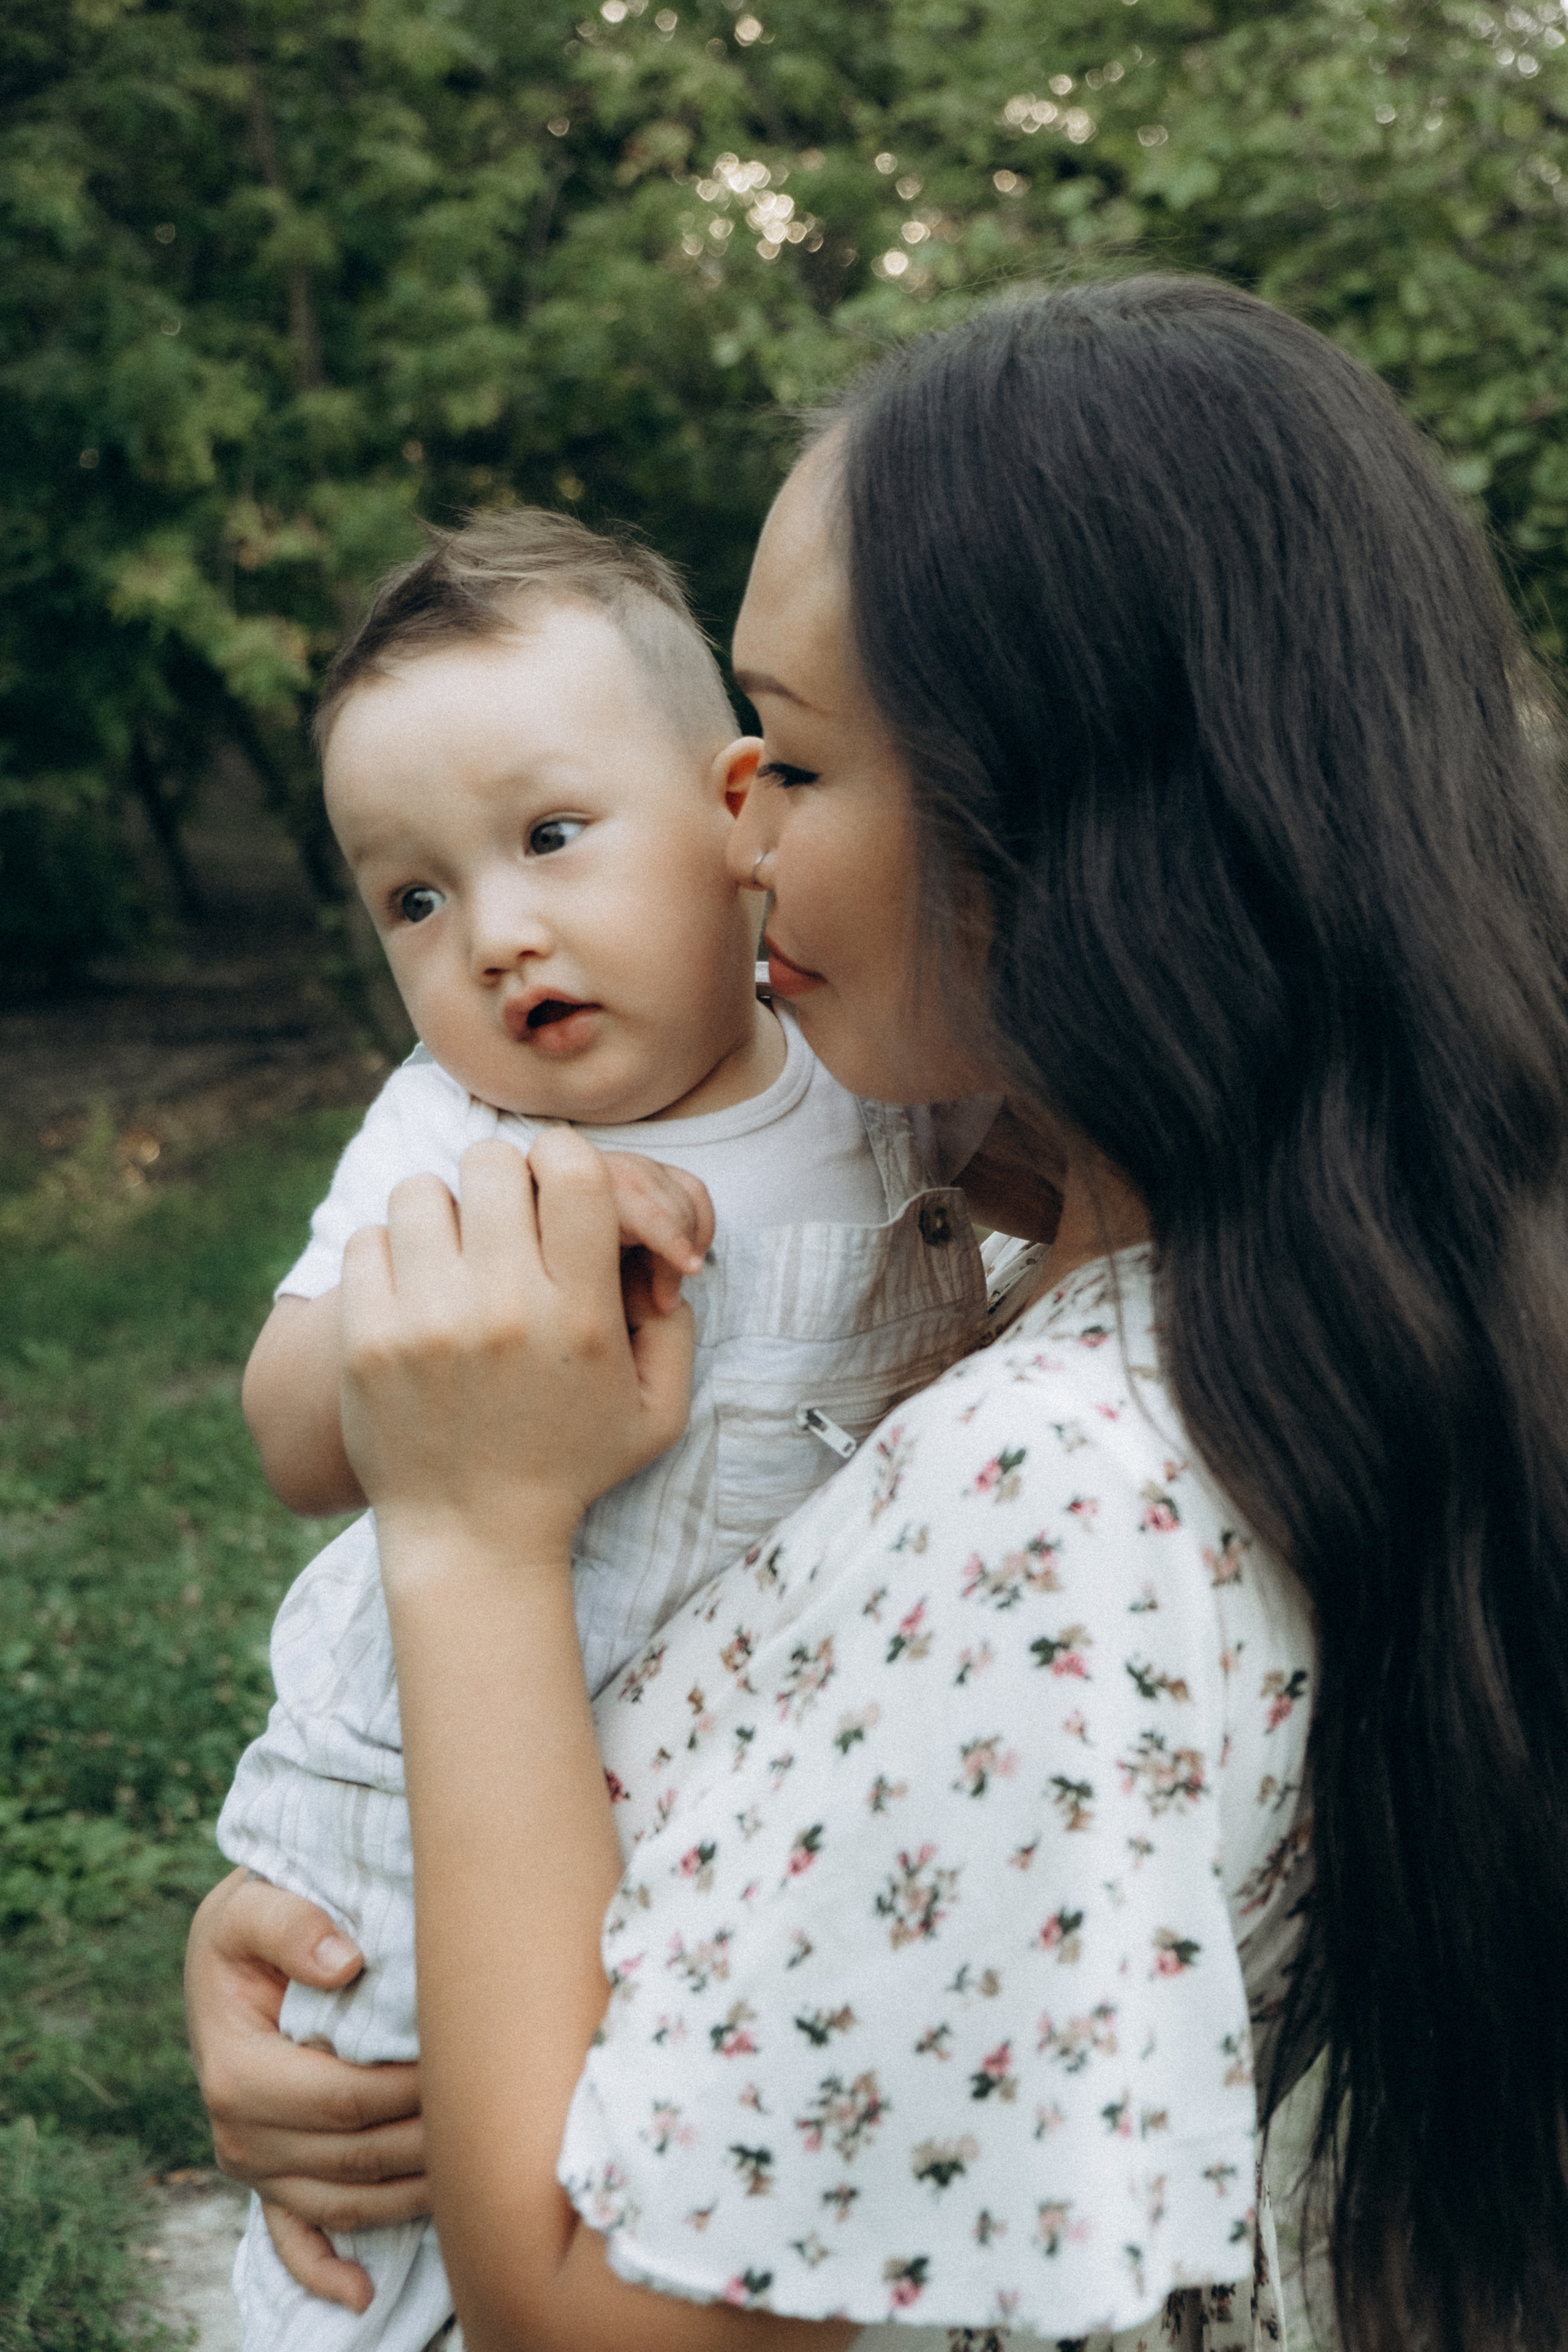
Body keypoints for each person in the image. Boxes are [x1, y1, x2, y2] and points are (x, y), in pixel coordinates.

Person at [186, 276, 1568, 2352]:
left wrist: (472, 1541)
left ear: (1070, 842)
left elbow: (598, 2328)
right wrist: (355, 1943)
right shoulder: (1177, 1279)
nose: (726, 828)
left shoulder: (1059, 1501)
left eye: (796, 763)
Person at [219, 506, 1006, 2352]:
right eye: (413, 898)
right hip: (418, 1847)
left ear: (743, 821)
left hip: (725, 1851)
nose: (495, 934)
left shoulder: (887, 1093)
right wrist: (466, 1282)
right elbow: (284, 1431)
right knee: (380, 2245)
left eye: (550, 838)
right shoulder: (452, 1133)